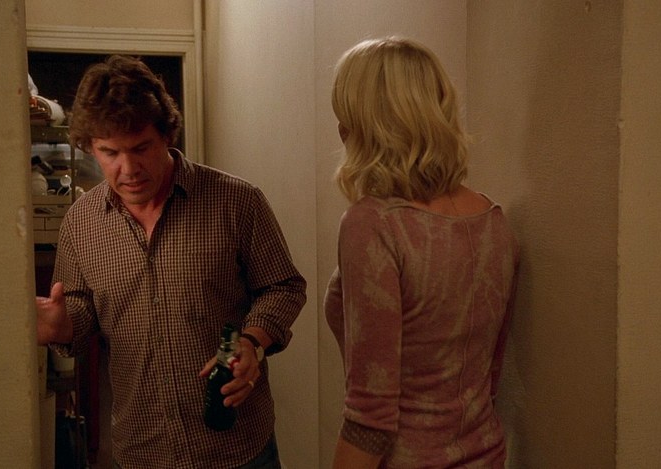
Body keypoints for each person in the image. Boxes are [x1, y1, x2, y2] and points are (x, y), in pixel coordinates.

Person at [35, 55, 306, 469]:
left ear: (166, 134)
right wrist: (63, 325)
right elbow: (83, 306)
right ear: (90, 147)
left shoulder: (236, 201)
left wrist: (253, 341)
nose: (128, 169)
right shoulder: (80, 222)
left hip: (237, 447)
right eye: (109, 152)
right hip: (143, 447)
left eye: (140, 148)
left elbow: (282, 286)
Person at [323, 37, 520, 468]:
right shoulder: (493, 220)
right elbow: (489, 379)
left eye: (346, 117)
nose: (341, 131)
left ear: (366, 126)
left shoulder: (373, 225)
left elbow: (370, 417)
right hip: (487, 455)